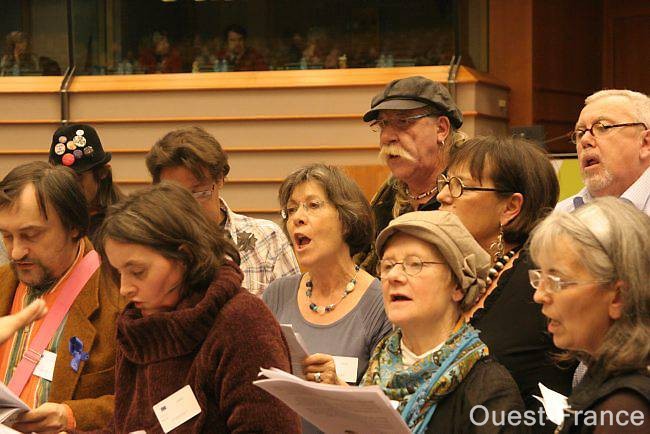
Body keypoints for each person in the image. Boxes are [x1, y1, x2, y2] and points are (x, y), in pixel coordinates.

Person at [89, 182, 300, 433]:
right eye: (118, 272)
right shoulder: (137, 327)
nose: (125, 288)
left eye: (137, 271)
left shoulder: (242, 323)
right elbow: (124, 426)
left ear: (185, 257)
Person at [305, 211, 525, 433]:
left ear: (458, 286)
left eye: (415, 264)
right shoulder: (377, 367)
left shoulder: (490, 391)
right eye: (388, 265)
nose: (394, 276)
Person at [436, 136, 574, 430]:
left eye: (460, 186)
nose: (443, 196)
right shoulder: (460, 269)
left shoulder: (540, 278)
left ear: (510, 207)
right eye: (445, 183)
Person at [262, 164, 392, 433]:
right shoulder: (276, 294)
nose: (298, 217)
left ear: (346, 220)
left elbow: (389, 418)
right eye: (292, 209)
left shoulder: (381, 304)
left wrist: (339, 389)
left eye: (312, 205)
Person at [0, 162, 122, 432]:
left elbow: (146, 402)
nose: (16, 252)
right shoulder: (3, 283)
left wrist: (72, 415)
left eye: (30, 235)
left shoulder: (120, 297)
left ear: (75, 228)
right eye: (7, 237)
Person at [529, 197, 650, 433]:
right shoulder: (603, 379)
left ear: (617, 297)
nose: (539, 295)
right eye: (539, 277)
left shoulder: (624, 410)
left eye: (556, 280)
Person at [145, 126, 299, 296]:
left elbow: (290, 314)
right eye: (175, 195)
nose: (188, 206)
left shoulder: (266, 238)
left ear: (220, 179)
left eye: (199, 193)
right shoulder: (152, 246)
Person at [355, 75, 466, 273]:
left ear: (441, 129)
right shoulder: (384, 203)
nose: (387, 137)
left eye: (403, 122)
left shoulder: (471, 194)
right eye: (382, 125)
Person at [556, 89, 649, 215]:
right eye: (580, 132)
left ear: (645, 143)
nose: (585, 140)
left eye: (603, 127)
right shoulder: (560, 217)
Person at [49, 124, 124, 243]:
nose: (69, 187)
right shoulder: (48, 219)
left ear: (102, 173)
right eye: (61, 179)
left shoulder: (125, 224)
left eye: (77, 178)